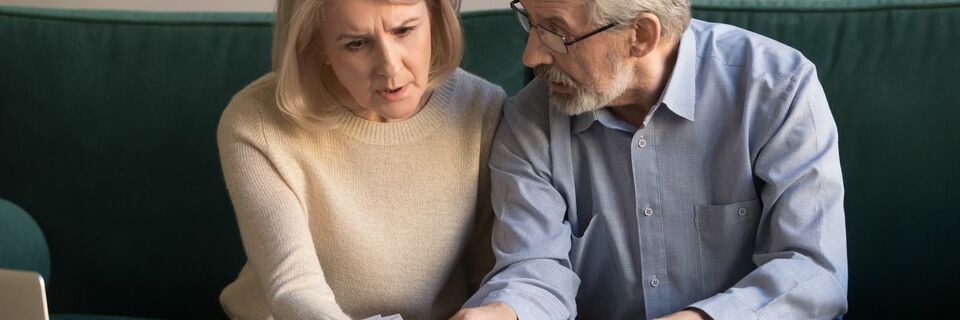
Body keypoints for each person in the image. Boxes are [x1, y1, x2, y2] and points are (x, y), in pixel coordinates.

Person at [453, 0, 847, 319]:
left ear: (640, 36)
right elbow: (535, 271)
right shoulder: (528, 122)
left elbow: (813, 271)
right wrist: (503, 312)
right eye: (530, 22)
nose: (531, 55)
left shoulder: (777, 88)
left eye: (557, 32)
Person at [216, 0, 505, 319]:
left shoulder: (482, 108)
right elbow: (294, 289)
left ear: (435, 18)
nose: (391, 67)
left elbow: (493, 276)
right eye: (357, 43)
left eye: (404, 30)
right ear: (317, 45)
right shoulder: (255, 122)